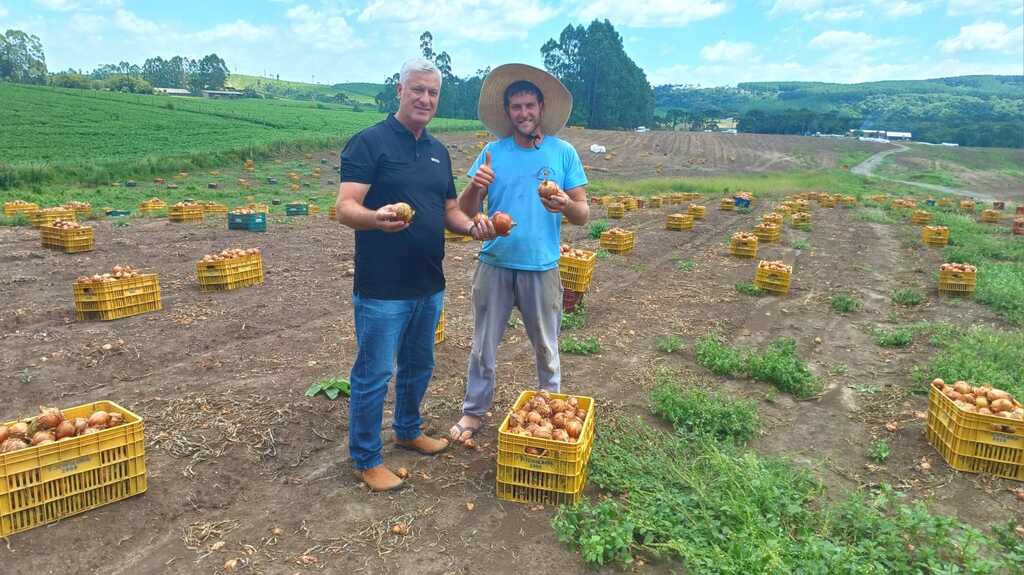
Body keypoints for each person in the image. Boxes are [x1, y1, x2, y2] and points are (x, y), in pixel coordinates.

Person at [335, 57, 485, 491]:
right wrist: (374, 216)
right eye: (417, 89)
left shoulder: (438, 152)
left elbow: (451, 211)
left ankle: (407, 428)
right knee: (374, 373)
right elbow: (345, 207)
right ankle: (366, 458)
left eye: (432, 92)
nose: (424, 98)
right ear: (399, 91)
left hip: (428, 282)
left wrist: (474, 226)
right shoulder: (369, 143)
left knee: (419, 364)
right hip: (382, 288)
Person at [449, 63, 589, 445]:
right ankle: (474, 411)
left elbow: (582, 213)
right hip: (494, 263)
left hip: (541, 266)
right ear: (508, 112)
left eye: (530, 105)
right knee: (482, 347)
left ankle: (553, 407)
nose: (523, 113)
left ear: (541, 107)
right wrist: (476, 186)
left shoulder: (564, 153)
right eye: (516, 107)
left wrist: (564, 203)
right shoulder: (492, 153)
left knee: (546, 345)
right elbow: (464, 209)